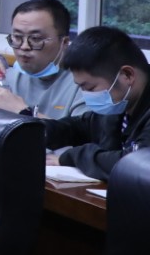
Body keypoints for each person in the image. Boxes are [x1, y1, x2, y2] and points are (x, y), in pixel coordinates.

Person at [42, 25, 150, 179]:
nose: (86, 95)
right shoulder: (120, 106)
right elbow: (78, 127)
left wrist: (72, 157)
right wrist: (37, 132)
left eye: (90, 88)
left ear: (127, 75)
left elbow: (136, 163)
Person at [0, 0, 86, 119]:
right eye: (17, 37)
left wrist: (23, 111)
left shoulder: (83, 83)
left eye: (35, 38)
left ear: (63, 42)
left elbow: (81, 135)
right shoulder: (10, 76)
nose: (24, 46)